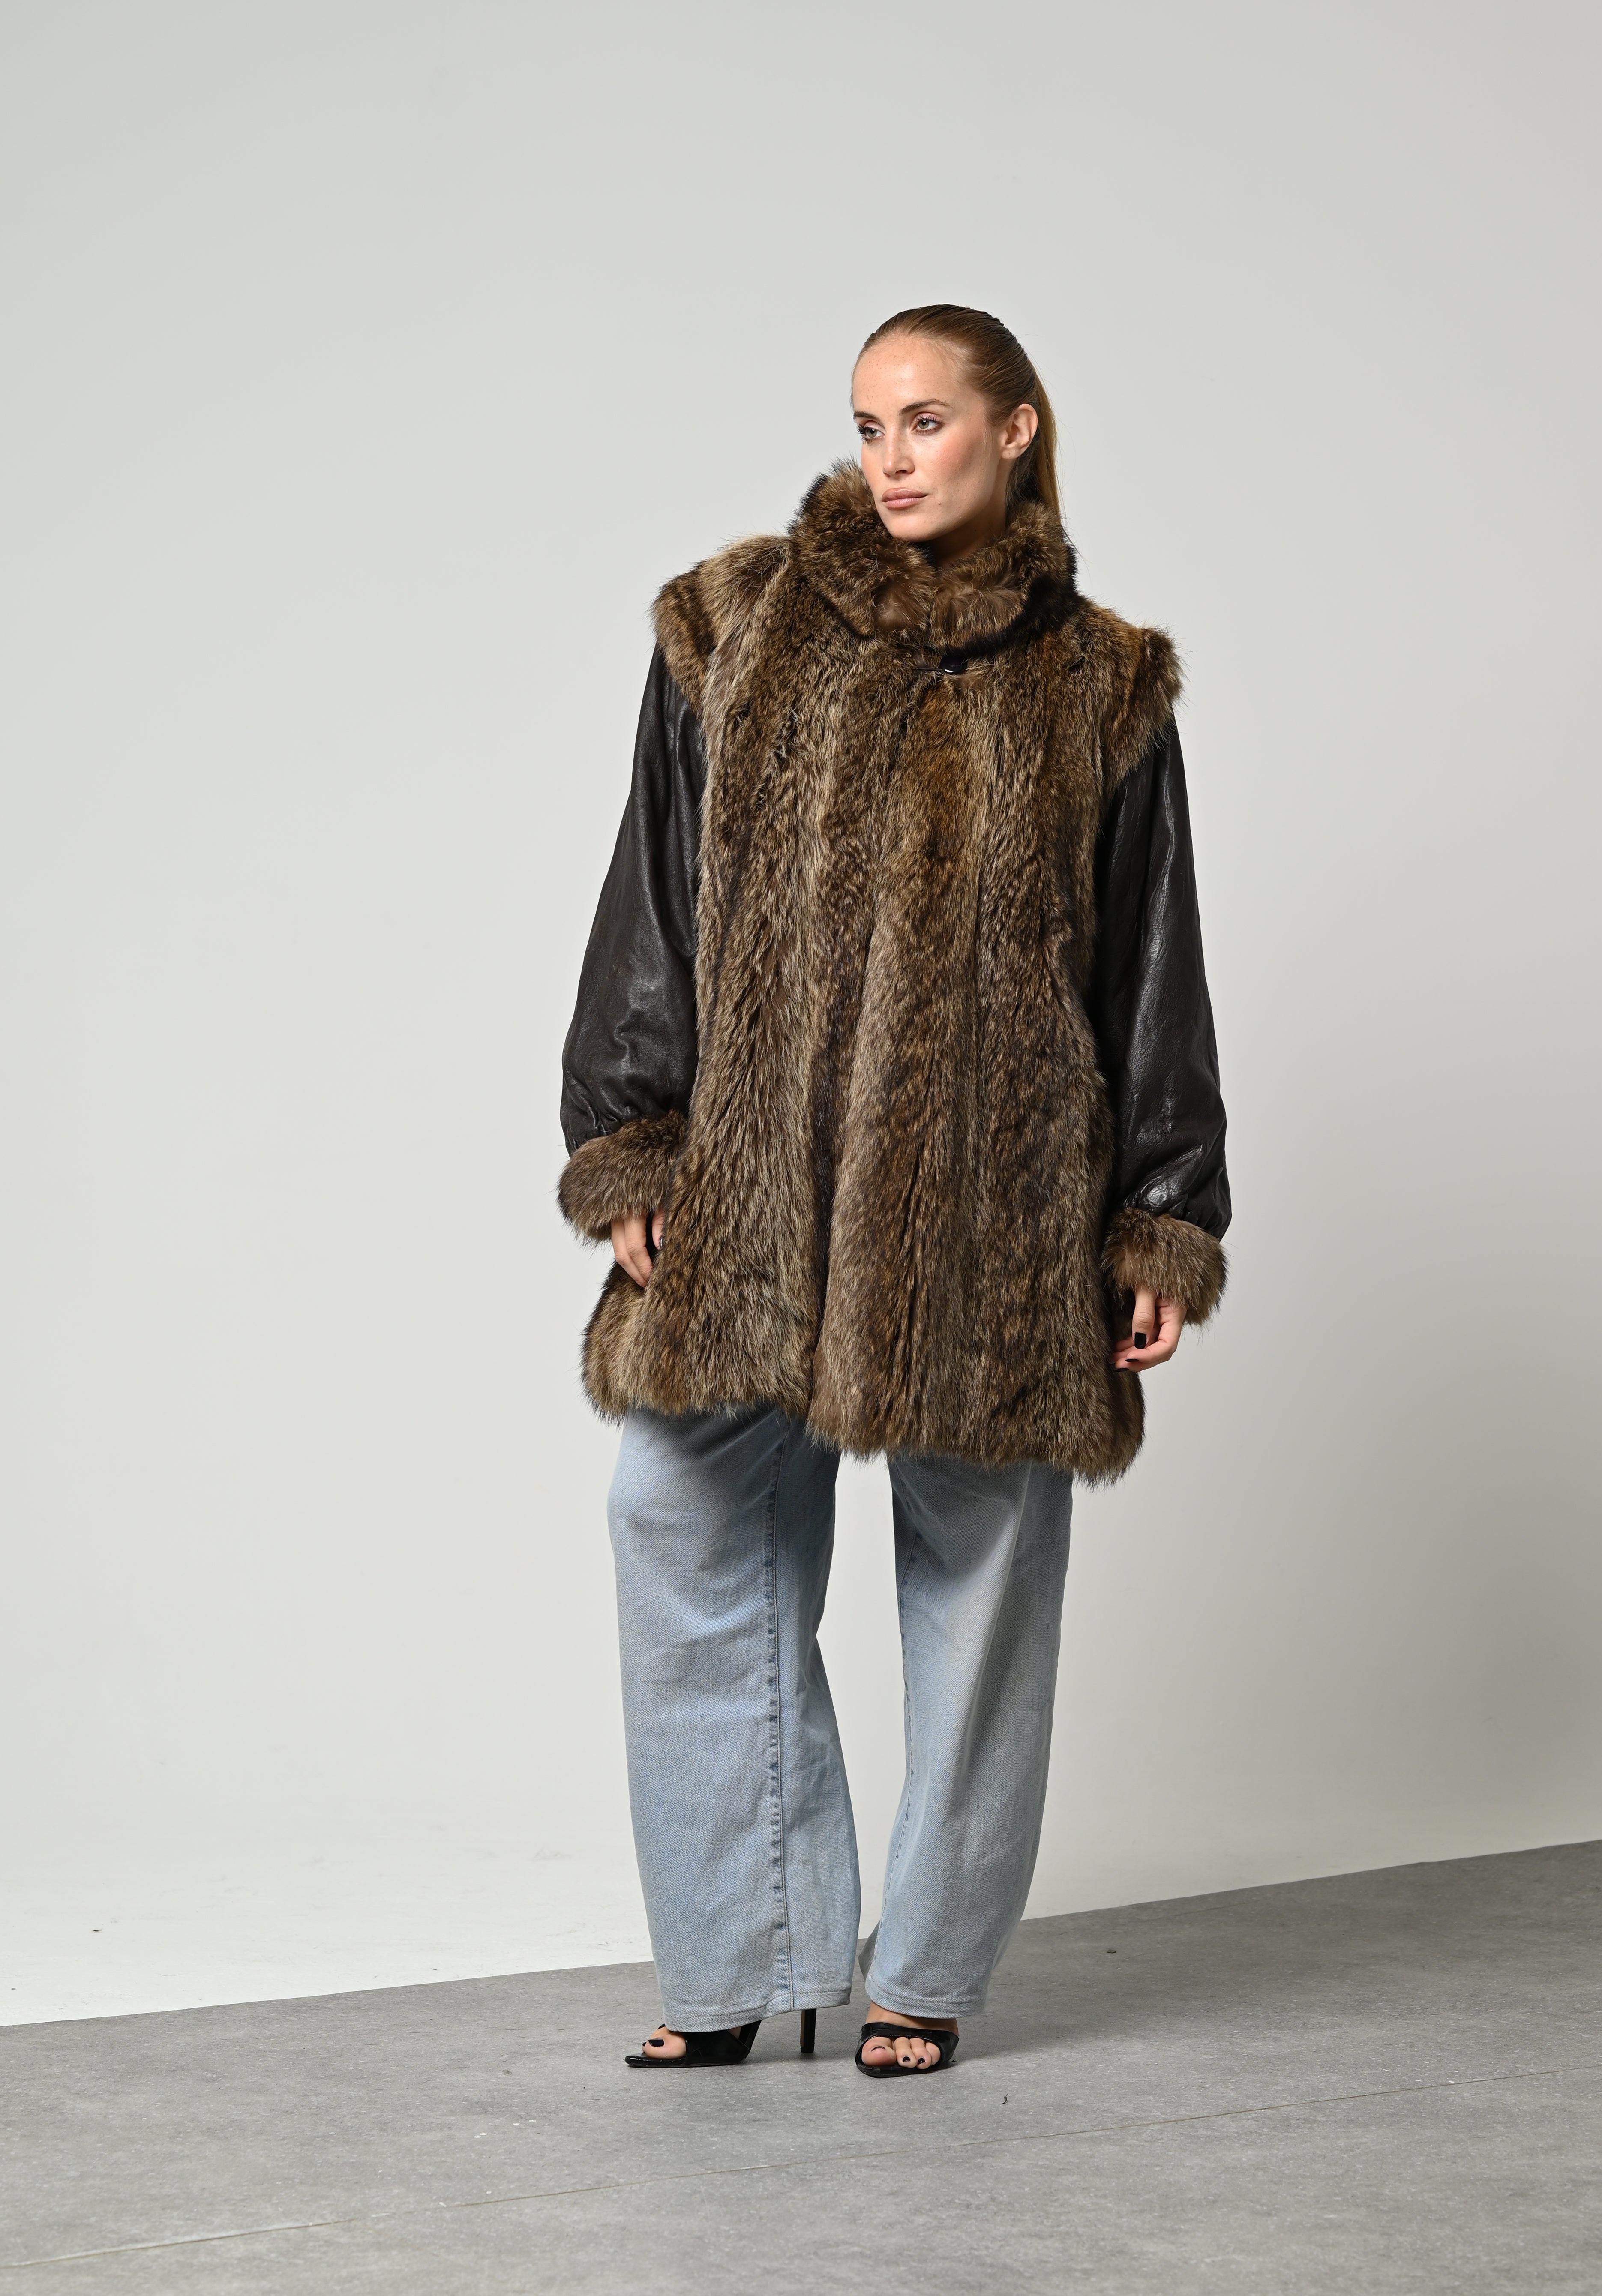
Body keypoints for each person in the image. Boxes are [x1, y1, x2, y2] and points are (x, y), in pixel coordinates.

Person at [559, 304, 1229, 2076]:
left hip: (995, 1203)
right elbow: (653, 907)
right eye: (868, 425)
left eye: (926, 420)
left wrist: (1163, 1213)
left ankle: (923, 1968)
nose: (890, 458)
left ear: (1015, 428)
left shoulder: (1103, 684)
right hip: (757, 1195)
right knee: (677, 1522)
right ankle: (741, 1960)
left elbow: (1149, 967)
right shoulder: (729, 627)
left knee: (984, 1581)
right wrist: (629, 1138)